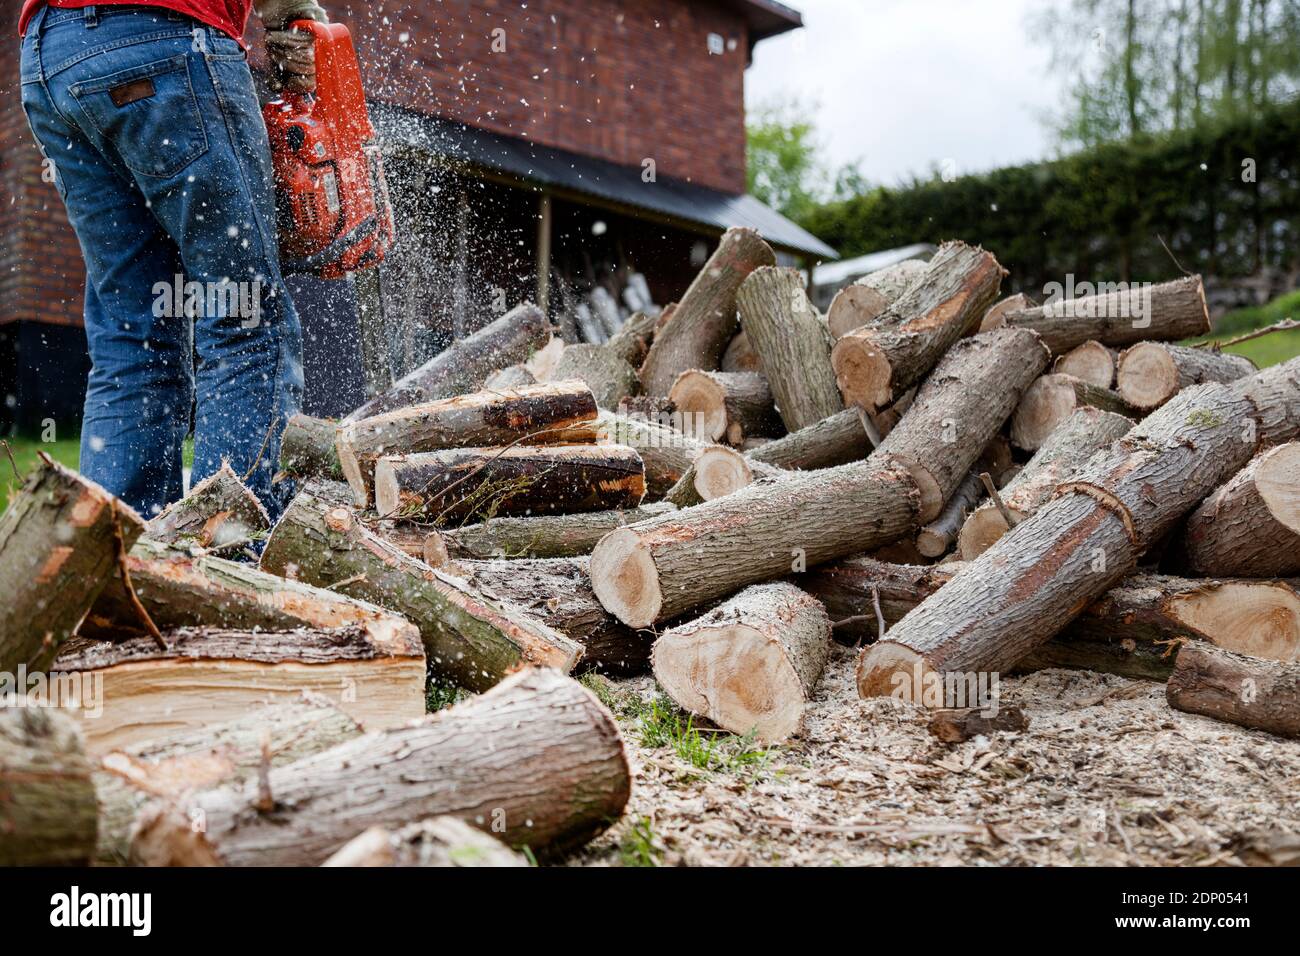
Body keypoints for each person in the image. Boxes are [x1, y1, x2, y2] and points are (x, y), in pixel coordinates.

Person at [17, 0, 328, 518]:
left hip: (51, 58)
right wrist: (292, 15)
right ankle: (229, 566)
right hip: (164, 40)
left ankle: (121, 566)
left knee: (132, 334)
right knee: (245, 319)